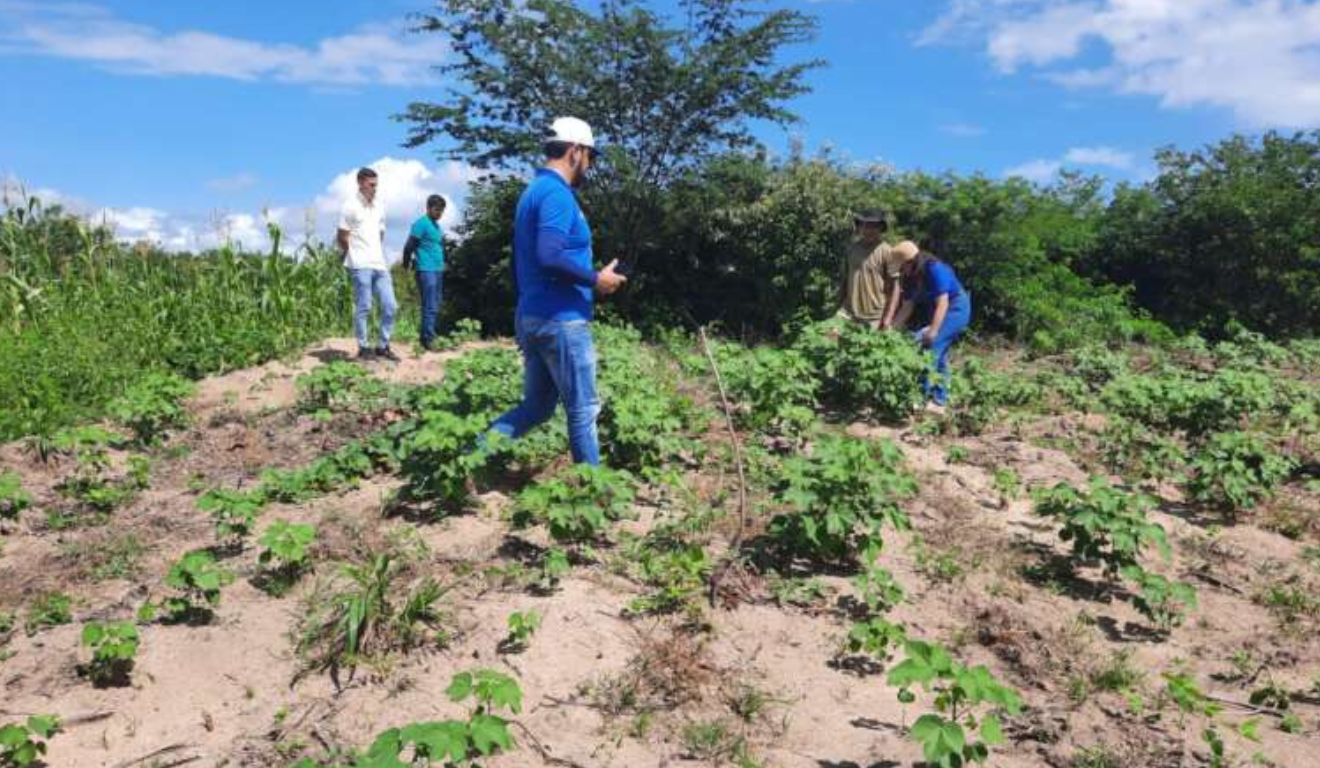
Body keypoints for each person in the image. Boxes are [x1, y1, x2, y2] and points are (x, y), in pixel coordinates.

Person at [486, 117, 627, 465]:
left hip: (533, 313)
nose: (590, 166)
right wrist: (596, 280)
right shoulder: (557, 194)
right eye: (590, 156)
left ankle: (470, 459)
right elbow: (549, 256)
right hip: (560, 319)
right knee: (583, 409)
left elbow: (526, 258)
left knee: (536, 408)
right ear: (575, 151)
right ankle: (592, 488)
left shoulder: (533, 191)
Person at [888, 240, 971, 412]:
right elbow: (907, 307)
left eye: (901, 267)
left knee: (931, 348)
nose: (901, 271)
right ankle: (939, 400)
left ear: (910, 262)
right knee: (940, 355)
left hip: (955, 308)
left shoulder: (934, 268)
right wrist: (891, 330)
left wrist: (933, 330)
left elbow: (943, 301)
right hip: (939, 310)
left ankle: (920, 398)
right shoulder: (909, 278)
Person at [337, 167, 400, 362]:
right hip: (360, 263)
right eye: (371, 184)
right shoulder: (349, 206)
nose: (375, 188)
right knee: (364, 306)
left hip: (380, 264)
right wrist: (353, 254)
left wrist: (375, 252)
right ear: (360, 182)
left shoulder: (379, 206)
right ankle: (363, 348)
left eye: (376, 185)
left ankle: (382, 346)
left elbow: (381, 234)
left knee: (390, 305)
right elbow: (342, 236)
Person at [838, 208, 903, 330]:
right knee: (830, 335)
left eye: (874, 226)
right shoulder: (852, 249)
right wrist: (838, 304)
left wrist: (888, 318)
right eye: (866, 225)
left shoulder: (887, 251)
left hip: (874, 316)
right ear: (860, 227)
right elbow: (845, 279)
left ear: (881, 228)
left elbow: (895, 288)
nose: (869, 230)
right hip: (848, 310)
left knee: (866, 342)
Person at [402, 194, 447, 351]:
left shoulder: (436, 226)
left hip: (437, 269)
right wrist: (406, 265)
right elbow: (409, 246)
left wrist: (444, 263)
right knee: (430, 304)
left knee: (436, 303)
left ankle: (425, 337)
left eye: (441, 210)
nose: (439, 213)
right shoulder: (421, 224)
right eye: (437, 209)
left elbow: (437, 246)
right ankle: (428, 339)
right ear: (428, 208)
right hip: (426, 269)